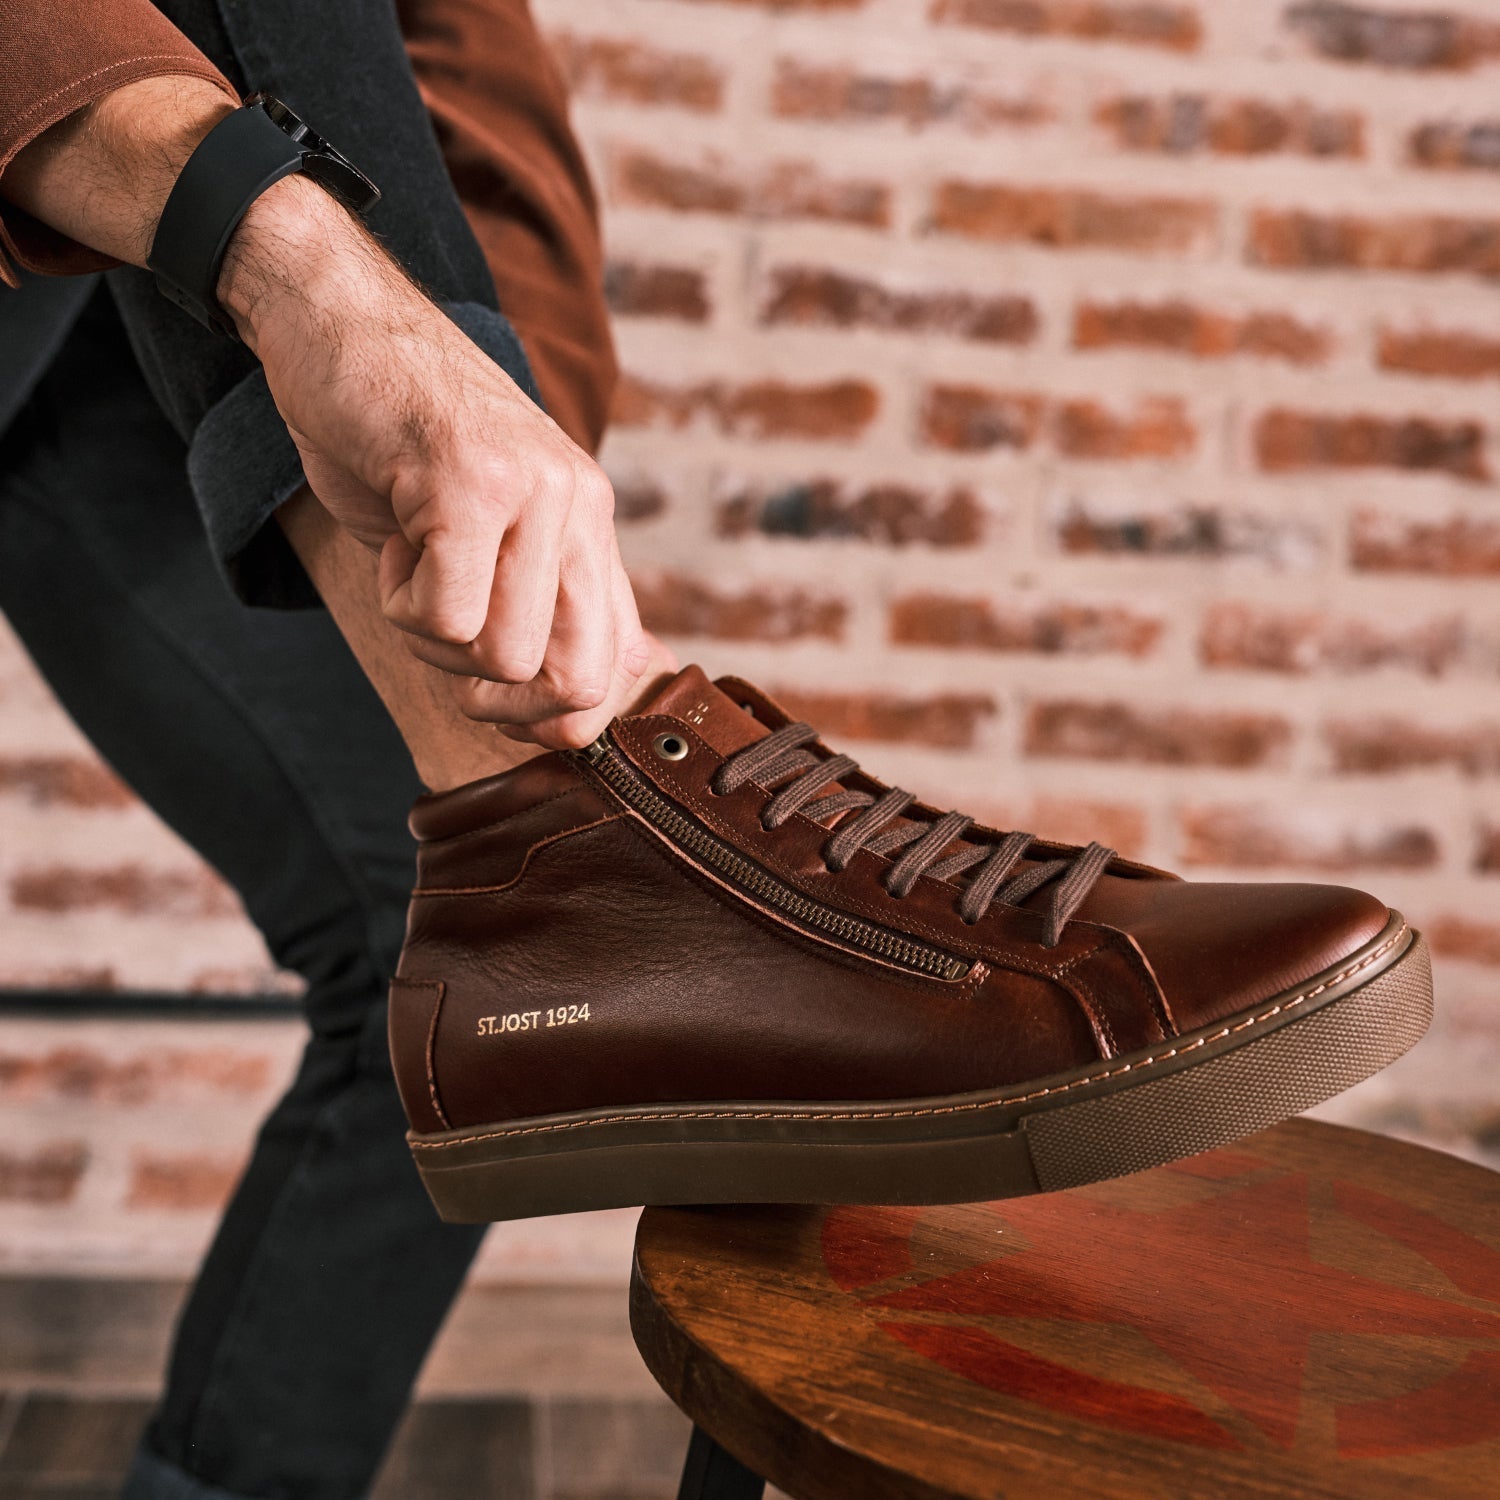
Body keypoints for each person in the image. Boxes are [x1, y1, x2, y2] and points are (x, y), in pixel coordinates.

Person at [0, 2, 1434, 1497]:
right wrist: (316, 279)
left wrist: (479, 412)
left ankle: (592, 805)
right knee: (475, 915)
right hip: (80, 254)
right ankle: (606, 807)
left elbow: (439, 62)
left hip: (137, 294)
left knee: (450, 950)